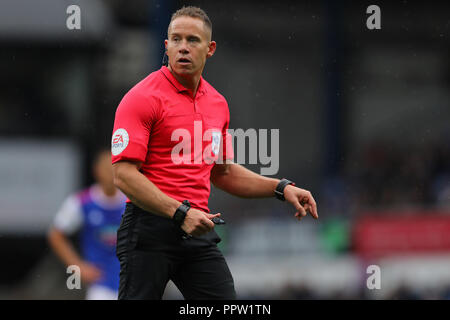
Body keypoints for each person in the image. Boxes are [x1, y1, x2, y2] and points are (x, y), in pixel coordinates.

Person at [111, 6, 318, 300]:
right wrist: (179, 212)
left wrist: (281, 188)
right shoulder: (141, 98)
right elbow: (123, 175)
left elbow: (223, 173)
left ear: (210, 49)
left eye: (193, 40)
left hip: (197, 230)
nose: (183, 47)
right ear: (166, 45)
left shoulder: (217, 103)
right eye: (176, 39)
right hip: (149, 230)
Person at [48, 149, 126, 300]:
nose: (110, 174)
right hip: (100, 285)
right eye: (106, 169)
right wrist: (77, 266)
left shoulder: (132, 200)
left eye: (114, 169)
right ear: (96, 171)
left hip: (131, 282)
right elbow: (56, 235)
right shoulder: (81, 202)